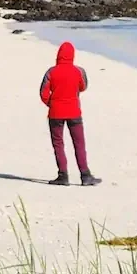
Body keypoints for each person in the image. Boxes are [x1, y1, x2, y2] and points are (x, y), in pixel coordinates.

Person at [39, 42, 101, 186]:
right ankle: (85, 175)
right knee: (79, 144)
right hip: (74, 111)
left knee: (58, 144)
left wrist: (52, 103)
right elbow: (83, 86)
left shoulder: (51, 71)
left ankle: (63, 176)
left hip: (55, 113)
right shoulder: (79, 71)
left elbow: (43, 93)